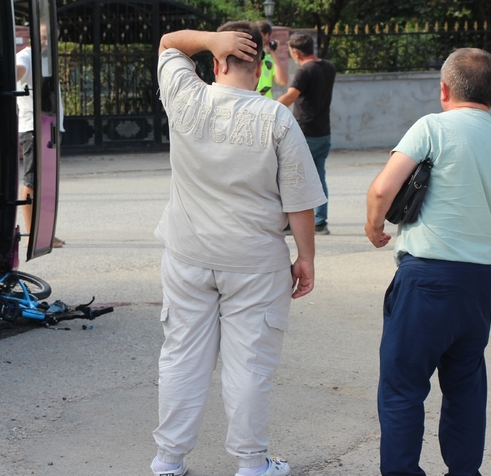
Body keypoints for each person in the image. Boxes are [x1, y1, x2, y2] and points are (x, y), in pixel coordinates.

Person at [151, 21, 327, 476]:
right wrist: (306, 258)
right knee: (249, 364)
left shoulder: (186, 97)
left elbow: (169, 44)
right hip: (255, 263)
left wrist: (209, 40)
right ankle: (252, 463)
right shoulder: (277, 119)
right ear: (262, 64)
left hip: (188, 255)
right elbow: (299, 202)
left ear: (216, 62)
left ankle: (168, 460)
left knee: (182, 356)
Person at [365, 48, 491, 476]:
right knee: (465, 386)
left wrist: (373, 226)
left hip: (425, 279)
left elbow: (383, 189)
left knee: (403, 388)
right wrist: (486, 271)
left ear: (444, 90)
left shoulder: (432, 128)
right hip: (479, 284)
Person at [277, 33, 336, 235]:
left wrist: (268, 108)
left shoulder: (304, 71)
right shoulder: (329, 67)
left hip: (305, 133)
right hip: (323, 132)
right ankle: (320, 222)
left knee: (292, 176)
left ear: (296, 53)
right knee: (319, 176)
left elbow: (290, 96)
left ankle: (289, 223)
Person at [16, 24, 65, 248]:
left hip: (50, 128)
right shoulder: (25, 56)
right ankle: (31, 235)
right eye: (44, 38)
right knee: (32, 181)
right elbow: (19, 70)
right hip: (33, 130)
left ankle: (44, 233)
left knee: (46, 183)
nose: (47, 43)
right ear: (34, 36)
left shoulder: (47, 60)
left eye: (52, 38)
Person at [254, 21, 288, 99]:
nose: (261, 43)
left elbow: (282, 81)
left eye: (264, 40)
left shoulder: (269, 58)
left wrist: (274, 53)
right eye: (259, 39)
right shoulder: (245, 57)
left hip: (266, 102)